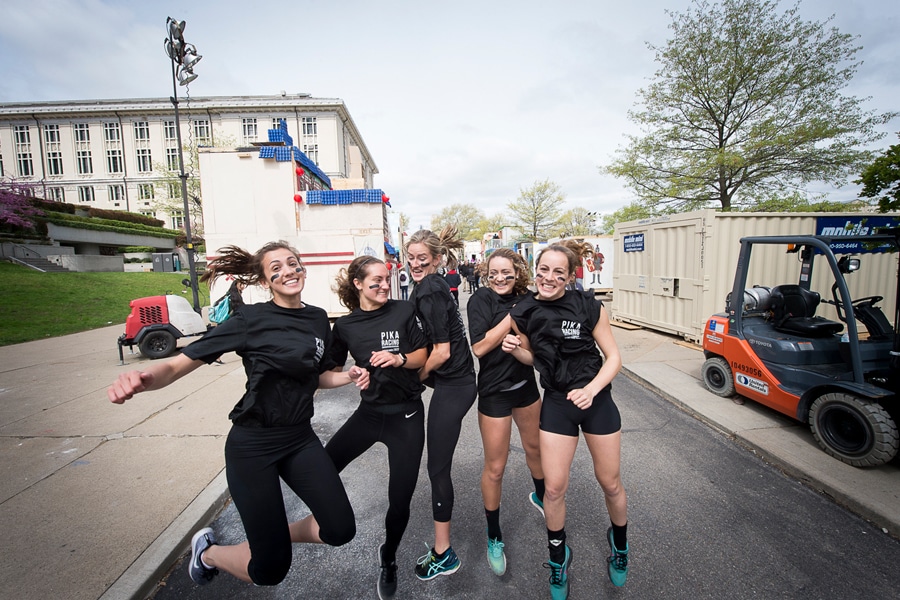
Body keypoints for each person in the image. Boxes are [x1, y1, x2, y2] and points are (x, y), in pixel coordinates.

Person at [106, 241, 368, 588]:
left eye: (292, 263)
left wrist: (347, 376)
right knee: (270, 570)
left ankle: (273, 538)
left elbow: (316, 376)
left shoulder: (318, 318)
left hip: (299, 439)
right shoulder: (250, 319)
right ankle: (208, 554)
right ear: (265, 281)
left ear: (302, 268)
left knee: (339, 529)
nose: (287, 271)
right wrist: (144, 379)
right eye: (276, 268)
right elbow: (181, 363)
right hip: (253, 446)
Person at [503, 240, 629, 600]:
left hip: (596, 399)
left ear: (570, 275)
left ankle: (619, 546)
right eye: (544, 269)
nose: (549, 277)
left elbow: (614, 358)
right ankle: (558, 558)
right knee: (554, 489)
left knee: (611, 483)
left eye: (559, 272)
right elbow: (536, 359)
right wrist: (518, 351)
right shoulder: (523, 311)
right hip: (557, 402)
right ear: (536, 268)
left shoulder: (587, 305)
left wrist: (591, 390)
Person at [325, 255, 429, 599]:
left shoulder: (403, 311)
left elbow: (423, 356)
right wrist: (350, 375)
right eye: (376, 281)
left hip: (407, 417)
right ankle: (333, 524)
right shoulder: (344, 327)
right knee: (323, 468)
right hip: (369, 415)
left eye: (387, 279)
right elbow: (327, 373)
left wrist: (400, 359)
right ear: (358, 284)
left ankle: (388, 558)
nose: (385, 285)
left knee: (400, 500)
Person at [405, 226, 477, 581]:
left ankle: (443, 553)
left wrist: (414, 380)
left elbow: (442, 351)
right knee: (437, 468)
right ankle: (442, 548)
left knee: (437, 470)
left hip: (456, 385)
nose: (415, 263)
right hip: (452, 382)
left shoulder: (430, 288)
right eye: (411, 257)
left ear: (436, 260)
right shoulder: (428, 286)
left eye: (423, 258)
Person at [467, 248, 544, 576]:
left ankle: (542, 497)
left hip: (525, 389)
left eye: (507, 273)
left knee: (536, 452)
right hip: (494, 394)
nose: (499, 278)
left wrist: (521, 347)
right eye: (494, 272)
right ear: (486, 272)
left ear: (518, 273)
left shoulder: (531, 299)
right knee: (495, 468)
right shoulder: (480, 300)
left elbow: (534, 353)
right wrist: (512, 318)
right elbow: (480, 347)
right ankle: (494, 535)